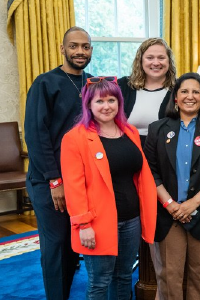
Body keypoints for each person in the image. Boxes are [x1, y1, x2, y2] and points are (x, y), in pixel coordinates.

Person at [60, 76, 157, 299]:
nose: (106, 106)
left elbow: (139, 175)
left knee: (124, 276)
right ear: (88, 105)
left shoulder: (130, 132)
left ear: (119, 103)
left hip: (131, 219)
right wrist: (83, 224)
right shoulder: (75, 138)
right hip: (97, 222)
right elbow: (74, 187)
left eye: (111, 100)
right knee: (99, 282)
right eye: (99, 101)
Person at [145, 72, 200, 299]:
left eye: (196, 92)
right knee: (169, 277)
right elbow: (150, 172)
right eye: (184, 91)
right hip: (168, 215)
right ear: (175, 97)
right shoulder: (158, 129)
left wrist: (190, 205)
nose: (190, 96)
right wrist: (171, 205)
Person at [23, 26, 93, 300]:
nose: (79, 51)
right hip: (49, 179)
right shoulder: (45, 83)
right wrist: (55, 180)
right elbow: (36, 135)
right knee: (56, 243)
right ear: (62, 49)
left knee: (73, 242)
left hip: (80, 179)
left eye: (85, 46)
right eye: (74, 46)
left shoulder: (91, 84)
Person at [118, 38, 176, 144]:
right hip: (127, 149)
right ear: (140, 60)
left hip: (163, 152)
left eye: (161, 58)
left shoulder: (179, 89)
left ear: (169, 61)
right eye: (150, 58)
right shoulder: (123, 85)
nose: (156, 63)